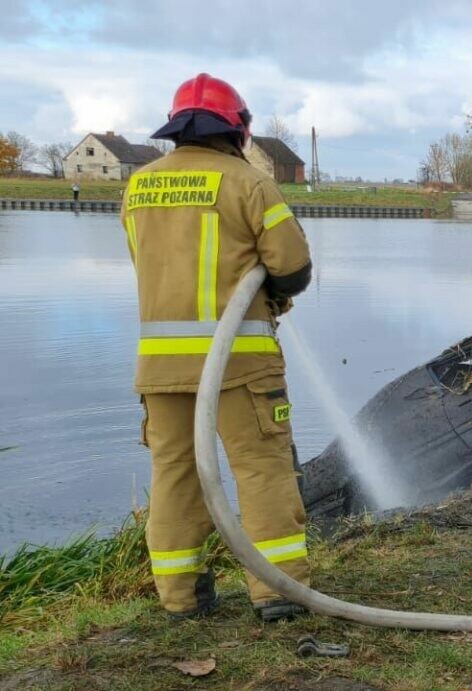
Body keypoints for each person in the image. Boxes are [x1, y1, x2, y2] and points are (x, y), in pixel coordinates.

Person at [127, 73, 314, 621]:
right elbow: (294, 268)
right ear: (239, 130)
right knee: (261, 469)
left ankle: (181, 599)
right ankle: (278, 594)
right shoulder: (249, 183)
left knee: (175, 474)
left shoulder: (138, 186)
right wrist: (269, 293)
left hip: (160, 370)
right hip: (239, 363)